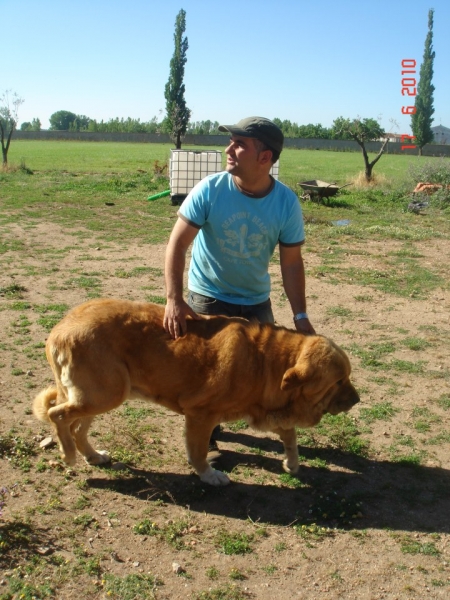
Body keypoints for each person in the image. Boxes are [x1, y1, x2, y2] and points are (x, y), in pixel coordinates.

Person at [163, 116, 315, 456]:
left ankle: (270, 423)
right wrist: (174, 299)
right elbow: (177, 244)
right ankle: (208, 438)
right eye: (230, 141)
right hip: (208, 297)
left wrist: (300, 315)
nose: (228, 149)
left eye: (239, 144)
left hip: (256, 302)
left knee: (264, 373)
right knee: (205, 375)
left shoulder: (286, 203)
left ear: (265, 158)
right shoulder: (211, 189)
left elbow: (291, 263)